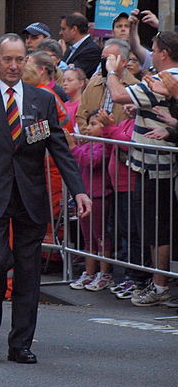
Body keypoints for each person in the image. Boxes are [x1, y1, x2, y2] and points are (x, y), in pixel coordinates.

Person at [0, 34, 90, 364]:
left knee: (29, 272)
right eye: (7, 60)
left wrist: (79, 189)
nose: (14, 66)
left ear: (26, 60)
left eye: (20, 59)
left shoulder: (41, 100)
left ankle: (21, 343)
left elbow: (59, 147)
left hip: (30, 196)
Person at [105, 33, 178, 306]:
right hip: (149, 164)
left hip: (156, 166)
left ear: (164, 53)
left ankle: (159, 286)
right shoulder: (162, 80)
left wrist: (113, 71)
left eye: (155, 50)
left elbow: (116, 94)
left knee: (156, 226)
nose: (152, 55)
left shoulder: (165, 78)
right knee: (150, 224)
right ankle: (157, 281)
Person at [69, 110, 114, 291]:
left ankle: (104, 273)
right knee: (88, 238)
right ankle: (89, 272)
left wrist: (73, 147)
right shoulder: (88, 144)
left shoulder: (104, 145)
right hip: (85, 195)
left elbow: (91, 161)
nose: (88, 128)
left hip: (99, 195)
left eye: (94, 124)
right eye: (88, 123)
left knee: (101, 236)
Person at [74, 38, 138, 133]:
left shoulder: (135, 87)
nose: (105, 63)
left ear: (123, 62)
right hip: (93, 145)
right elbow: (81, 115)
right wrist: (90, 137)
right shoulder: (93, 84)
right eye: (102, 59)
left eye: (109, 59)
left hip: (119, 144)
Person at [59, 13, 102, 78]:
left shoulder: (91, 50)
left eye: (63, 29)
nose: (60, 33)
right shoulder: (71, 48)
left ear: (74, 29)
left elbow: (73, 76)